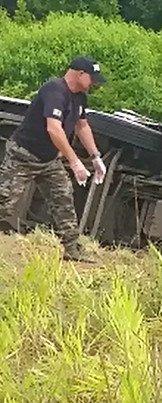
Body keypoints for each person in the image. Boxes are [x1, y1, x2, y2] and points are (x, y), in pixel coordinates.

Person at [0, 56, 108, 263]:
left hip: (48, 160)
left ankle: (72, 249)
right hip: (23, 155)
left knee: (63, 199)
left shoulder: (80, 97)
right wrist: (75, 162)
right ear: (80, 74)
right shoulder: (54, 90)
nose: (94, 83)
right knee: (4, 201)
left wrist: (95, 157)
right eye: (91, 78)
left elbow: (82, 126)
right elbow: (54, 129)